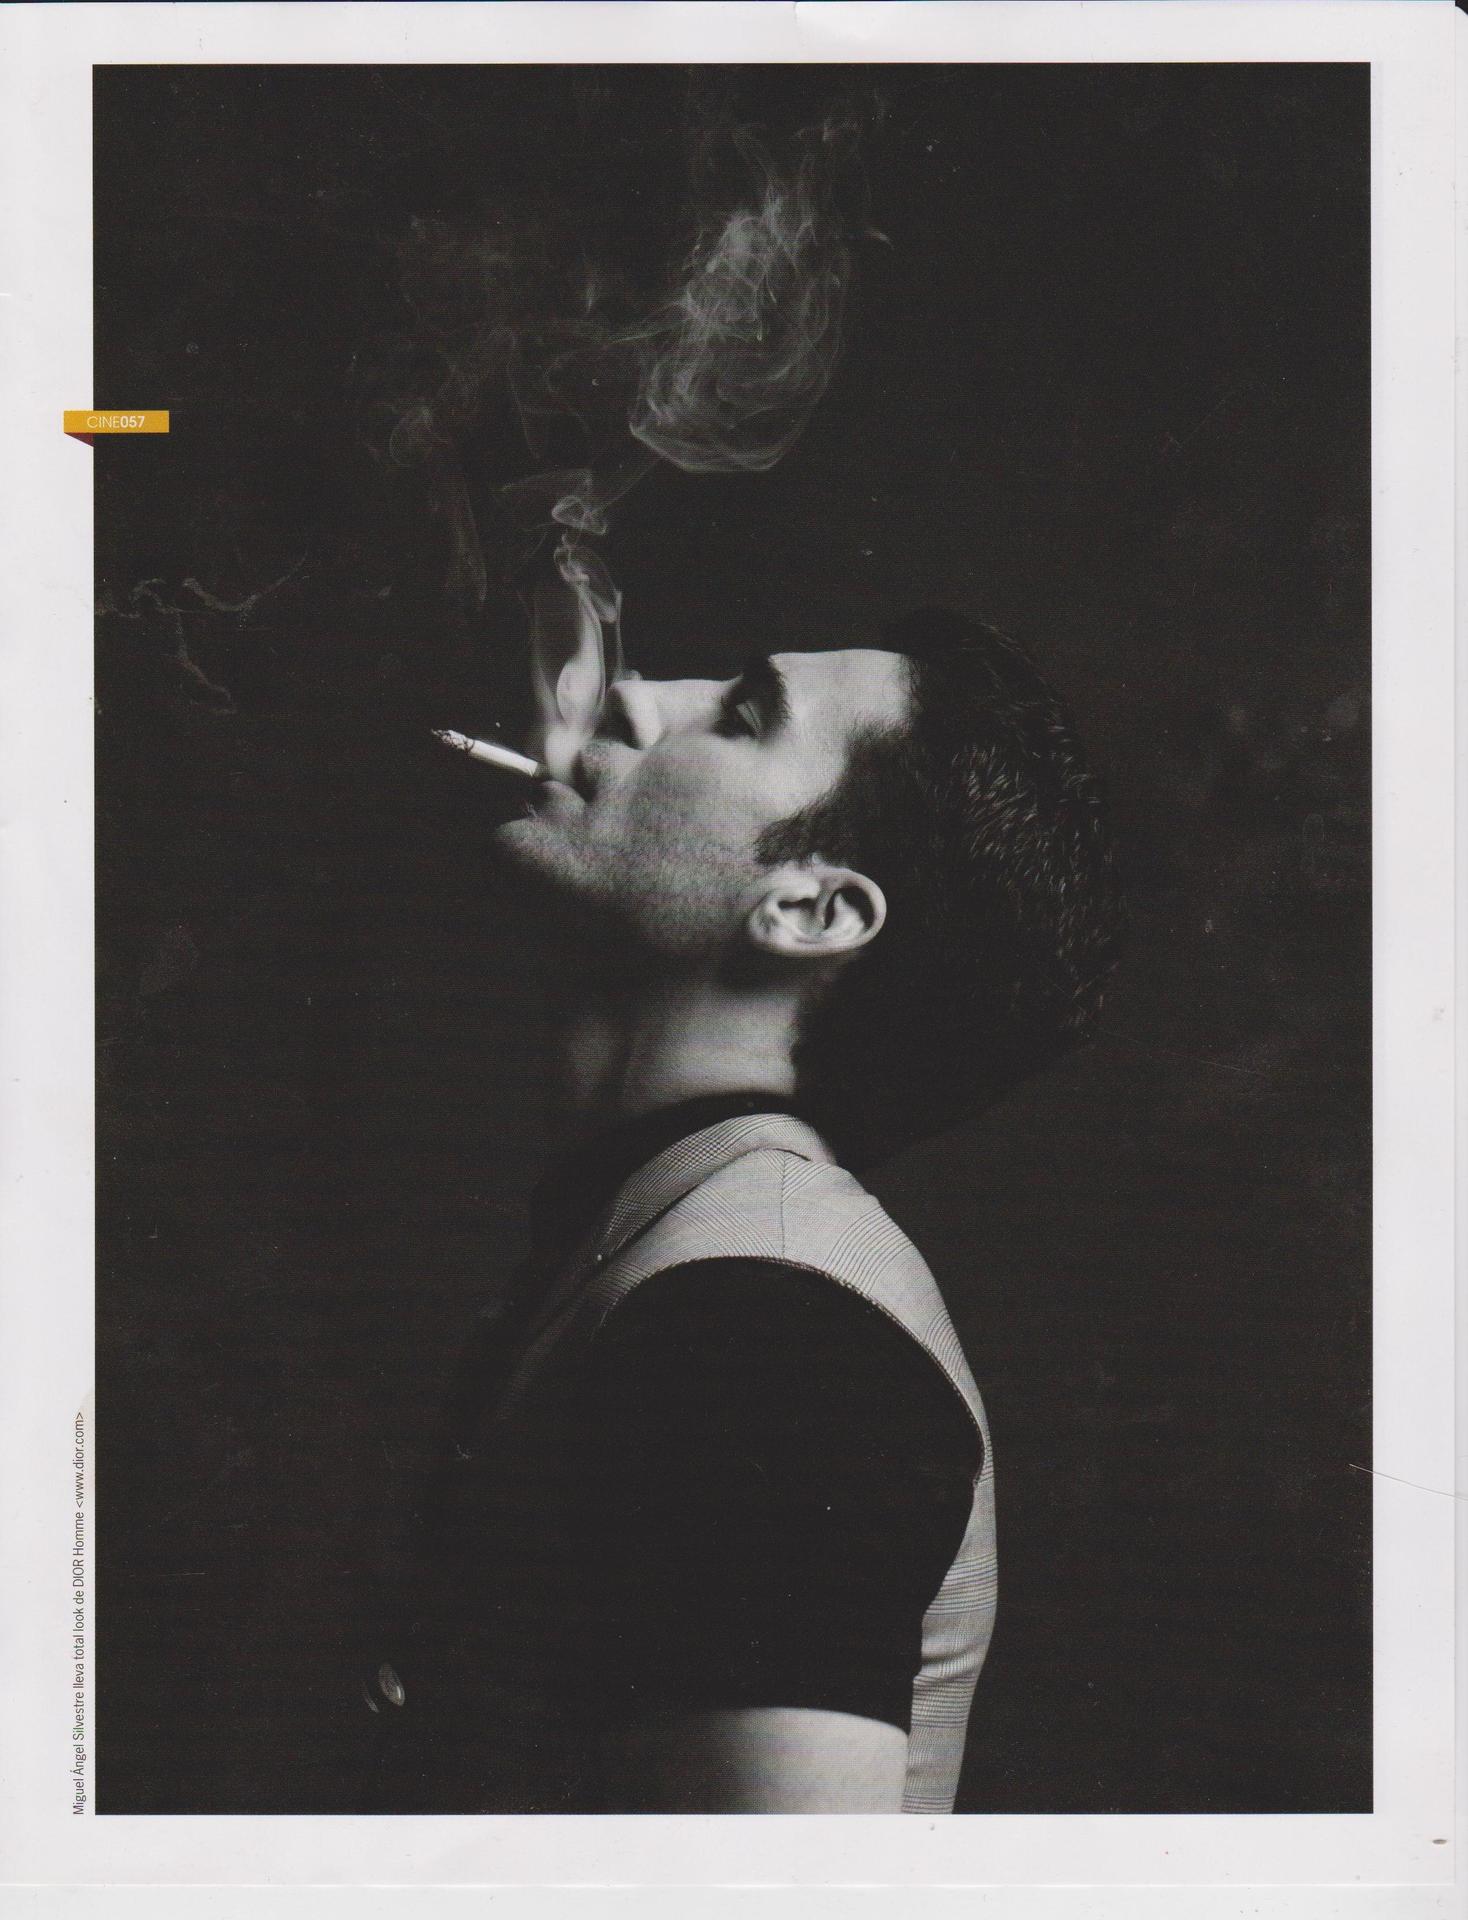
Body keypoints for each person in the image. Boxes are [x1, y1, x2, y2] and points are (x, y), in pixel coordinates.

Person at [358, 607, 1123, 1814]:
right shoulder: (677, 1244)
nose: (635, 696)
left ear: (813, 911)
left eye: (743, 714)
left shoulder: (764, 1334)